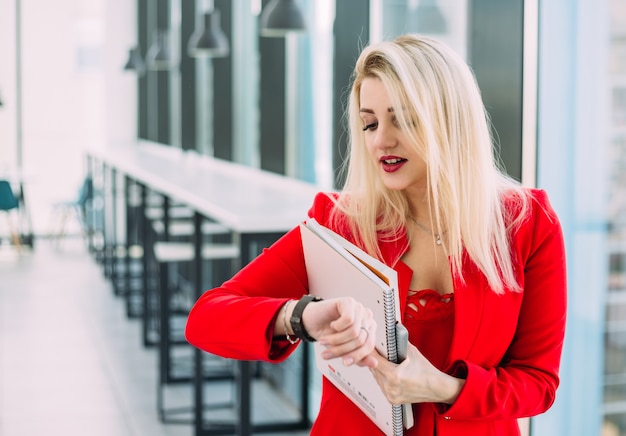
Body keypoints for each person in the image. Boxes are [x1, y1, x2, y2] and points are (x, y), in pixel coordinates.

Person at [185, 34, 567, 435]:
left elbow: (538, 382)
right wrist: (302, 317)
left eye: (403, 118)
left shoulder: (527, 224)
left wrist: (443, 387)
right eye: (370, 122)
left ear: (450, 121)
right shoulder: (341, 223)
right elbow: (206, 317)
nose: (381, 139)